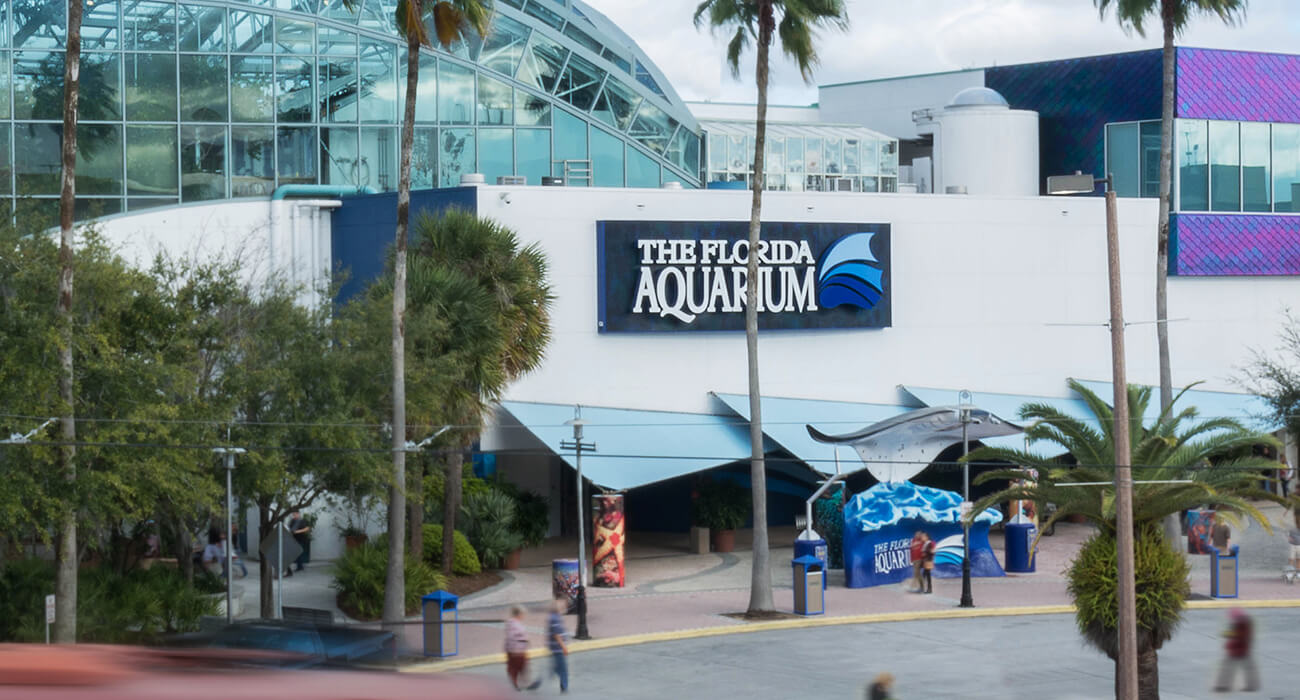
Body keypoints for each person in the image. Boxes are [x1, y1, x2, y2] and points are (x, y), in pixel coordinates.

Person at [1213, 608, 1259, 692]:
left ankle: (1223, 685)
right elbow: (1236, 634)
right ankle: (1223, 685)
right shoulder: (1240, 624)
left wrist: (1230, 635)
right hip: (1237, 649)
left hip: (1240, 650)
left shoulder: (1243, 625)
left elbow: (1240, 636)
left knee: (1229, 668)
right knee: (1231, 668)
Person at [533, 597, 569, 692]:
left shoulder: (554, 616)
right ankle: (564, 686)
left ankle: (539, 682)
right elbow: (556, 635)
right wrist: (563, 647)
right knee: (562, 669)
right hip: (557, 648)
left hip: (554, 647)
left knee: (555, 668)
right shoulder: (555, 618)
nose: (565, 607)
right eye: (563, 606)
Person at [504, 605, 532, 690]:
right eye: (523, 614)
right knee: (522, 667)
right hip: (517, 651)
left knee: (516, 667)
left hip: (515, 650)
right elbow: (512, 638)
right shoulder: (515, 625)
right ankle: (524, 684)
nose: (523, 616)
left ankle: (518, 682)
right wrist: (514, 650)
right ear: (518, 614)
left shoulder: (512, 623)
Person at [286, 511, 311, 576]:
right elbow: (289, 528)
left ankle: (300, 566)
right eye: (293, 515)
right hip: (294, 539)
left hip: (301, 538)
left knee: (298, 552)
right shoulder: (292, 521)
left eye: (295, 514)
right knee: (296, 552)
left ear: (298, 514)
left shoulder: (303, 520)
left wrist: (298, 531)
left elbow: (307, 528)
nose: (294, 516)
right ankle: (299, 566)